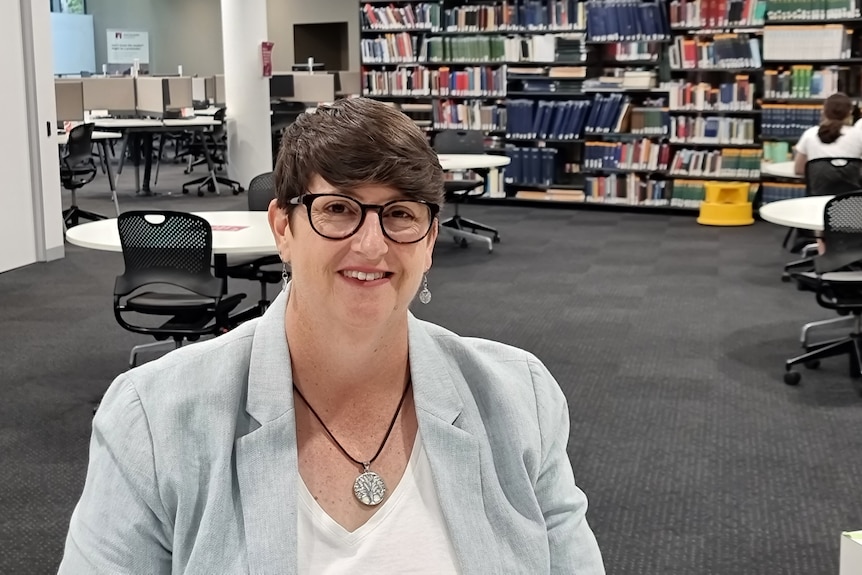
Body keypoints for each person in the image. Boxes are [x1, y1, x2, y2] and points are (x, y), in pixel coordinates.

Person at [58, 98, 605, 574]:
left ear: (431, 239)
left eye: (400, 214)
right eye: (339, 209)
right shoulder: (154, 418)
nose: (372, 245)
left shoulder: (519, 398)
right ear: (282, 228)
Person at [793, 92, 862, 176]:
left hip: (819, 188)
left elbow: (799, 169)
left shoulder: (810, 134)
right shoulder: (858, 134)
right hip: (853, 188)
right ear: (849, 113)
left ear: (824, 111)